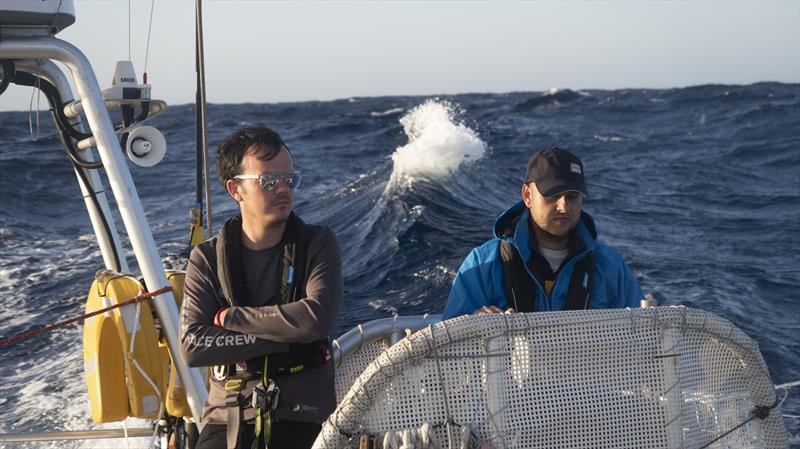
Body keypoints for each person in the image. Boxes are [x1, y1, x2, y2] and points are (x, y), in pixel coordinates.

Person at [180, 125, 343, 449]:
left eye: (290, 179)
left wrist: (231, 319)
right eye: (269, 181)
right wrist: (288, 338)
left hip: (303, 417)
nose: (283, 189)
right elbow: (194, 345)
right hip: (227, 418)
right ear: (235, 189)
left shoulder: (318, 244)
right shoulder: (207, 258)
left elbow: (316, 320)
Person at [443, 147, 642, 319]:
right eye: (553, 195)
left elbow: (643, 337)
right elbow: (451, 344)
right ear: (527, 196)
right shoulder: (482, 264)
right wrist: (474, 325)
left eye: (572, 196)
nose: (563, 206)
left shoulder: (611, 267)